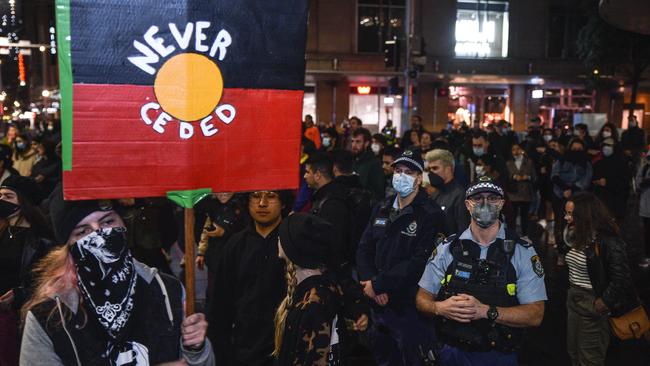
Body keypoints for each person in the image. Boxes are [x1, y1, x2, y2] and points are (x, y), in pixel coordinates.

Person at [21, 194, 214, 365]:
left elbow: (201, 362)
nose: (100, 234)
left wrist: (197, 349)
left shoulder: (167, 289)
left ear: (123, 224)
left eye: (107, 222)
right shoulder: (49, 317)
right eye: (83, 232)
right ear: (68, 247)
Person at [416, 178, 547, 365]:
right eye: (478, 198)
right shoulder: (448, 248)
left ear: (501, 204)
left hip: (497, 354)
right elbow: (422, 299)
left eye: (492, 198)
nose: (485, 204)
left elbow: (535, 315)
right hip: (453, 353)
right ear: (468, 205)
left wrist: (486, 311)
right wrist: (439, 308)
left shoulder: (522, 251)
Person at [357, 150, 446, 366]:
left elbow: (420, 262)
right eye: (398, 170)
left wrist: (379, 284)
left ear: (418, 177)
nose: (401, 175)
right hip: (378, 306)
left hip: (410, 307)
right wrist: (371, 282)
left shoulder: (430, 214)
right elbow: (364, 247)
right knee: (383, 357)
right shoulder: (382, 207)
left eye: (408, 172)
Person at [209, 190, 291, 366]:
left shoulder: (293, 243)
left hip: (286, 347)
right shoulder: (235, 245)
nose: (262, 203)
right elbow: (220, 303)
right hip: (243, 348)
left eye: (271, 196)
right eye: (255, 196)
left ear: (283, 203)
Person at [563, 192, 637, 366]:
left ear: (585, 214)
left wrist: (604, 302)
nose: (566, 217)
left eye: (570, 213)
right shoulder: (576, 235)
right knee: (573, 353)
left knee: (590, 358)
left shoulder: (608, 240)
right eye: (566, 212)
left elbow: (621, 278)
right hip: (574, 300)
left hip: (592, 302)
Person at [273, 213, 344, 365]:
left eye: (282, 237)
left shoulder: (315, 302)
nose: (278, 240)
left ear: (295, 249)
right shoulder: (314, 293)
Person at [0, 176, 53, 366]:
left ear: (24, 200)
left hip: (20, 318)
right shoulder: (4, 230)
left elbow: (45, 281)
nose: (2, 201)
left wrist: (18, 294)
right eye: (0, 196)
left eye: (8, 196)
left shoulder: (42, 240)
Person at [195, 192, 245, 302]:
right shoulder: (212, 207)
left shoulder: (242, 206)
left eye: (227, 190)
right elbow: (206, 230)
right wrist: (201, 253)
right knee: (213, 290)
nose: (223, 194)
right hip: (215, 257)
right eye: (219, 190)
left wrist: (225, 231)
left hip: (236, 257)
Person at [551, 138, 592, 265]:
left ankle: (576, 252)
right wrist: (564, 189)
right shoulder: (561, 160)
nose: (576, 151)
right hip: (561, 196)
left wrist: (574, 189)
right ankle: (561, 252)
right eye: (574, 149)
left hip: (578, 198)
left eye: (579, 149)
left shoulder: (586, 163)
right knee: (560, 223)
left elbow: (586, 180)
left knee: (578, 224)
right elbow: (554, 175)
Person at [425, 149, 469, 235]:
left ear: (448, 169)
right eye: (429, 169)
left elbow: (463, 231)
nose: (431, 173)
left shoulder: (460, 195)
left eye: (435, 168)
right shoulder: (435, 193)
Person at [592, 138, 631, 221]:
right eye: (604, 145)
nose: (606, 147)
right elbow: (593, 178)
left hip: (615, 201)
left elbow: (625, 184)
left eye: (609, 145)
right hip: (599, 200)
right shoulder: (599, 163)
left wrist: (608, 182)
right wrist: (596, 182)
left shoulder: (622, 164)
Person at [506, 143, 536, 237]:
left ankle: (524, 235)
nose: (516, 151)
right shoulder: (508, 163)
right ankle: (512, 235)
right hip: (513, 193)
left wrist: (527, 177)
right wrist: (514, 176)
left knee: (524, 216)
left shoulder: (529, 162)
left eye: (517, 149)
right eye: (513, 149)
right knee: (512, 216)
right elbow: (505, 176)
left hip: (525, 193)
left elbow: (534, 176)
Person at [351, 128, 385, 200]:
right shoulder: (351, 160)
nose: (354, 145)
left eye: (358, 142)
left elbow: (378, 193)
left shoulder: (374, 163)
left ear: (366, 143)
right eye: (352, 141)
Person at [636, 154, 650, 267]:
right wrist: (643, 183)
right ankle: (648, 256)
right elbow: (637, 183)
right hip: (647, 207)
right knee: (647, 232)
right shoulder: (645, 167)